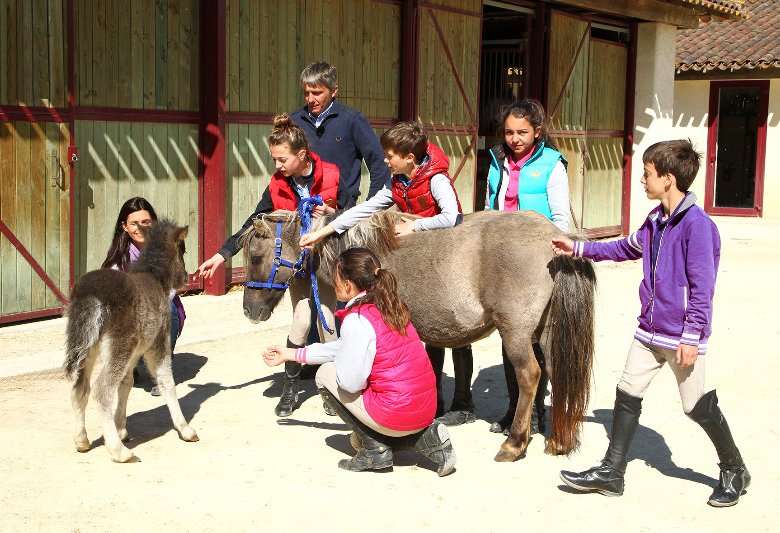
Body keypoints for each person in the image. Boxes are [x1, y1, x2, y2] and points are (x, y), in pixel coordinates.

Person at [555, 139, 749, 507]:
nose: (642, 180)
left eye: (647, 174)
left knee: (695, 406)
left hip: (681, 337)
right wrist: (577, 248)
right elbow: (626, 248)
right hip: (649, 331)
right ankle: (612, 473)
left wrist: (691, 335)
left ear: (668, 178)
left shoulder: (698, 226)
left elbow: (702, 288)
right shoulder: (656, 221)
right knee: (627, 393)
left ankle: (734, 468)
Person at [298, 121, 469, 421]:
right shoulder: (398, 181)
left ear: (410, 158)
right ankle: (437, 399)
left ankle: (464, 401)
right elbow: (366, 208)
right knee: (429, 331)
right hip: (420, 261)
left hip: (446, 255)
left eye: (390, 156)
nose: (385, 161)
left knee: (457, 333)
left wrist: (418, 224)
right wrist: (325, 231)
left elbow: (453, 217)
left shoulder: (436, 179)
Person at [197, 114, 344, 417]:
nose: (276, 165)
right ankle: (290, 387)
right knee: (302, 321)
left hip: (326, 261)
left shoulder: (330, 173)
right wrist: (221, 255)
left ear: (302, 155)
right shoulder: (277, 183)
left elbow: (343, 214)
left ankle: (332, 387)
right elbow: (253, 222)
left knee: (328, 323)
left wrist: (331, 212)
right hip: (299, 265)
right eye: (274, 159)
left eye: (281, 159)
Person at [262, 248, 456, 476]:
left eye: (335, 279)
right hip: (425, 408)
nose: (332, 284)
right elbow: (344, 346)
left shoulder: (357, 319)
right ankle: (424, 437)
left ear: (347, 285)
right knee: (359, 432)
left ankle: (375, 450)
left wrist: (343, 365)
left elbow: (351, 382)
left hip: (395, 411)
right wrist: (292, 354)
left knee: (325, 374)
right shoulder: (390, 307)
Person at [481, 99, 571, 435]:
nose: (514, 138)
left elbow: (560, 216)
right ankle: (514, 408)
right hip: (501, 258)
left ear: (537, 131)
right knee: (511, 334)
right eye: (508, 132)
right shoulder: (495, 160)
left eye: (522, 132)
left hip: (534, 257)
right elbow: (489, 206)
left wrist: (556, 251)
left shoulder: (551, 164)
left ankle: (536, 411)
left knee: (535, 337)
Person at [102, 196, 186, 397]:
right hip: (129, 312)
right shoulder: (119, 256)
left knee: (168, 306)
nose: (140, 228)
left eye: (146, 222)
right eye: (134, 223)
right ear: (124, 226)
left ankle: (160, 372)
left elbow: (176, 285)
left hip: (158, 306)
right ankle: (129, 363)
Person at [291, 61, 390, 209]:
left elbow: (379, 164)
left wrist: (371, 208)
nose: (310, 99)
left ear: (334, 90)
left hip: (341, 210)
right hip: (299, 208)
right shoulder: (294, 121)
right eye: (306, 93)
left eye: (317, 93)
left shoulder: (353, 120)